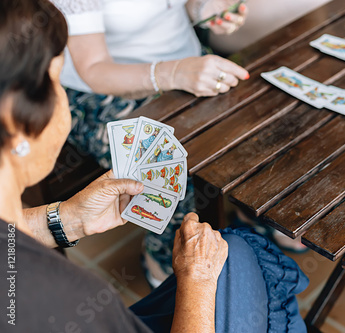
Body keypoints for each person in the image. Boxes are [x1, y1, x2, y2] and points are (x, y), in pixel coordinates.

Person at [0, 1, 309, 332]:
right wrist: (196, 279)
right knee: (191, 199)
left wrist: (66, 220)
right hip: (122, 88)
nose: (62, 98)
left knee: (257, 122)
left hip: (186, 62)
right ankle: (163, 262)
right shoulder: (64, 297)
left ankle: (246, 208)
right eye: (57, 82)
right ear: (17, 121)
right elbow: (93, 69)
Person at [50, 0, 251, 286]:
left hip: (188, 67)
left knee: (251, 126)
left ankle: (242, 217)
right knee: (167, 173)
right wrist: (174, 73)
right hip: (104, 90)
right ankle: (166, 269)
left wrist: (203, 9)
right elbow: (93, 69)